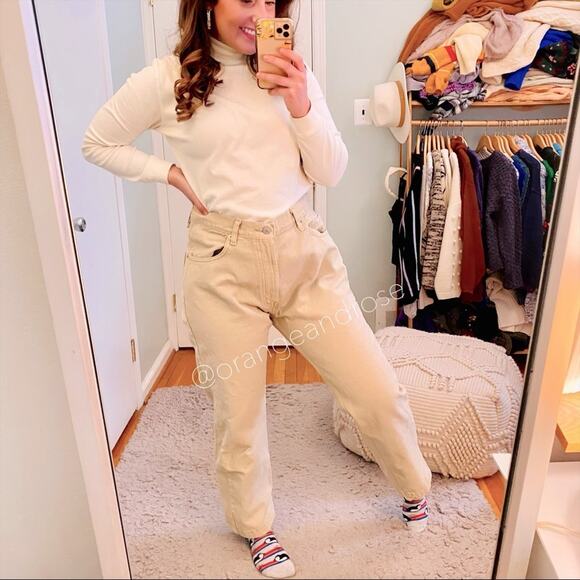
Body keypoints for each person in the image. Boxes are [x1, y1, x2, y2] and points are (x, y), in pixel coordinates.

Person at [81, 0, 432, 577]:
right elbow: (97, 141)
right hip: (222, 263)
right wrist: (167, 173)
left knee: (375, 389)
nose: (260, 12)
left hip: (303, 253)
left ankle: (414, 485)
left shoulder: (293, 72)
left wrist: (300, 104)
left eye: (270, 1)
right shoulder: (168, 79)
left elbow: (331, 171)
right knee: (238, 415)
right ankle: (256, 527)